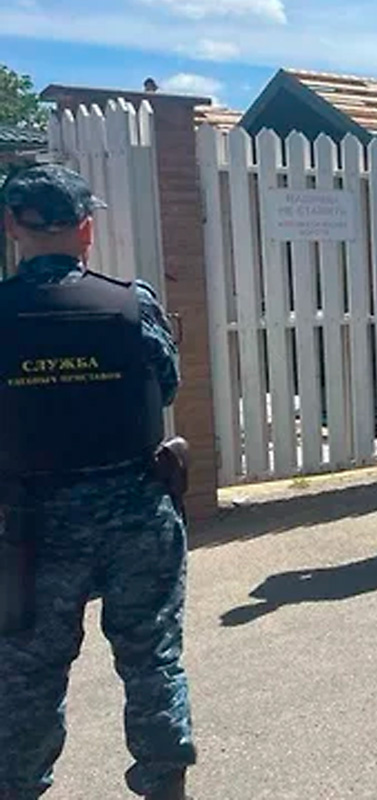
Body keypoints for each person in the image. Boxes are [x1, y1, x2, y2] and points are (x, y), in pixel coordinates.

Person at [0, 165, 195, 799]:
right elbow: (166, 387)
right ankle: (165, 785)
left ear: (12, 226)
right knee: (152, 659)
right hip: (135, 512)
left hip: (32, 526)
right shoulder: (131, 304)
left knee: (28, 676)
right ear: (86, 229)